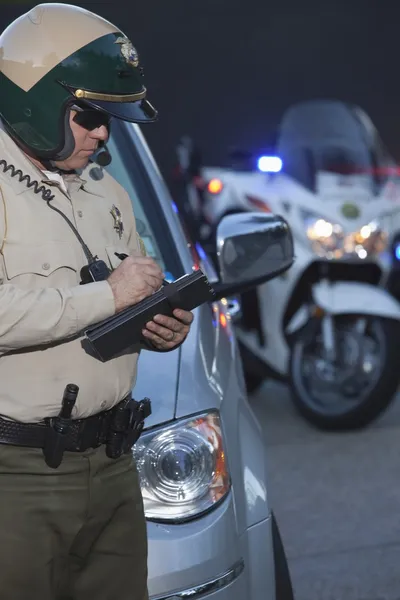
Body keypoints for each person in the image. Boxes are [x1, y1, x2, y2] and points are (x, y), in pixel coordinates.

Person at [0, 4, 194, 599]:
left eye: (109, 118)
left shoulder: (108, 192)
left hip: (114, 464)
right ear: (35, 98)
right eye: (88, 115)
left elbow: (122, 304)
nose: (103, 133)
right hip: (19, 479)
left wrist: (159, 323)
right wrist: (108, 295)